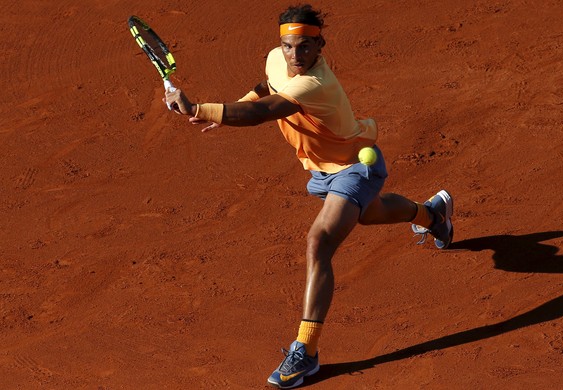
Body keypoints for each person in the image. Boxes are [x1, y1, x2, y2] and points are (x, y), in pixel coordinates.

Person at [165, 4, 453, 389]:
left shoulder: (317, 83)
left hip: (355, 168)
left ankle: (307, 352)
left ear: (321, 45)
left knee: (318, 241)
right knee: (371, 212)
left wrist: (201, 108)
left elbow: (264, 112)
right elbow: (267, 88)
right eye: (288, 47)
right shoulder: (277, 60)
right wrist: (233, 105)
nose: (295, 56)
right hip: (320, 170)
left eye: (305, 47)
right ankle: (432, 214)